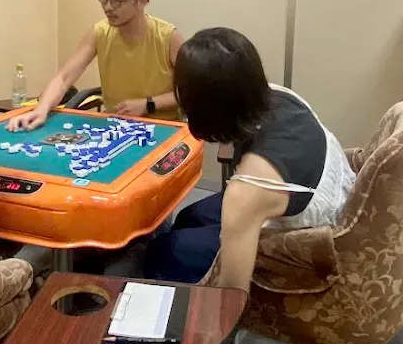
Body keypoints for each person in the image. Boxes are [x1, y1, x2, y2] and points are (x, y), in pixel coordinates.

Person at [142, 27, 356, 291]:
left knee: (164, 251)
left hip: (308, 243)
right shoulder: (280, 96)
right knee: (189, 216)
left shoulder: (247, 189)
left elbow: (232, 292)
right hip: (329, 197)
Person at [7, 0, 184, 132]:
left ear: (142, 1)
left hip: (164, 127)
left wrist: (148, 104)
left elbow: (192, 93)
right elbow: (64, 78)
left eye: (117, 1)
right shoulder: (99, 32)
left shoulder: (168, 37)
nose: (108, 7)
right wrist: (41, 110)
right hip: (115, 126)